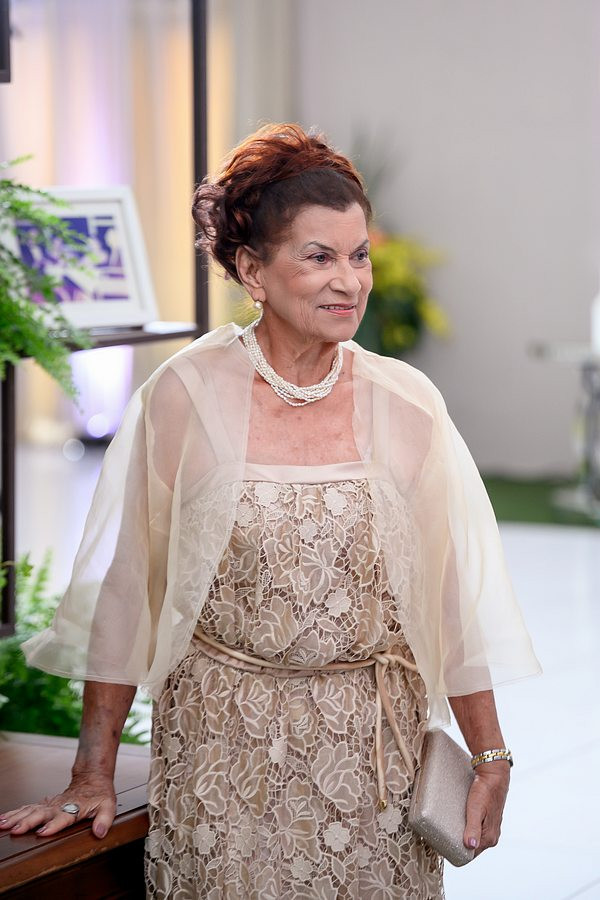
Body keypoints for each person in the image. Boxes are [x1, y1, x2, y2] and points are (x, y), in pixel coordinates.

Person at [0, 123, 540, 898]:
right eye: (319, 257)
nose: (348, 281)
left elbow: (448, 598)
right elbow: (128, 591)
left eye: (359, 256)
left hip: (372, 762)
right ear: (253, 270)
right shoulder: (184, 396)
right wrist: (92, 773)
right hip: (223, 753)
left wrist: (490, 757)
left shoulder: (407, 403)